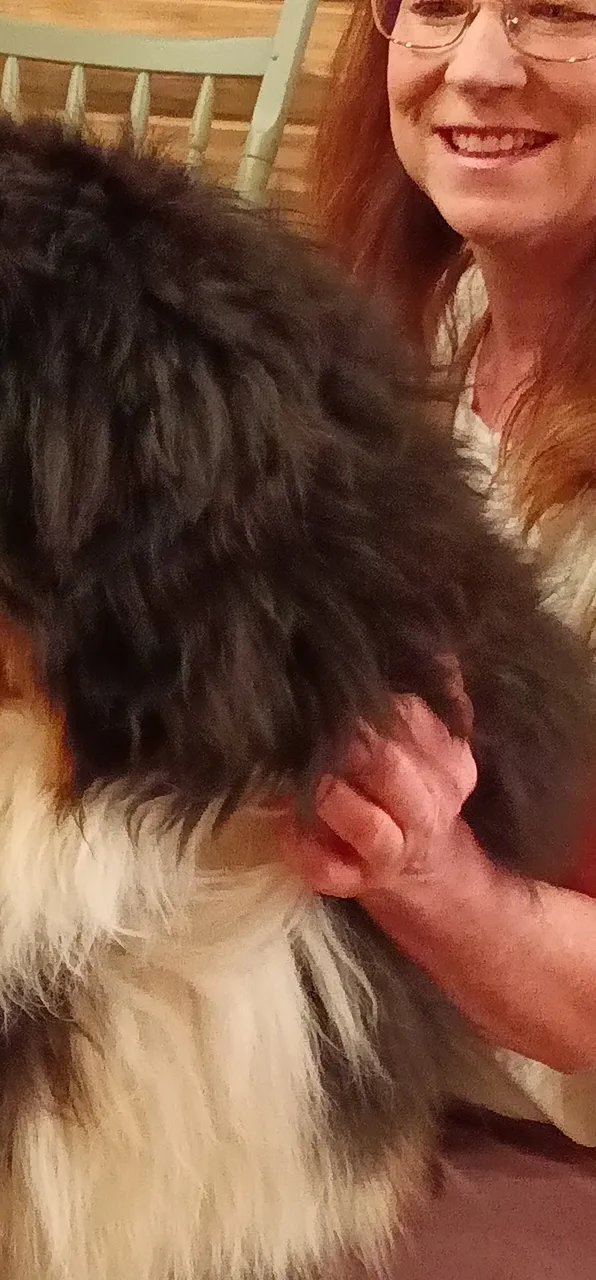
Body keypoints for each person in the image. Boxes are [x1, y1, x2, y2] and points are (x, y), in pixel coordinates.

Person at [289, 0, 596, 1272]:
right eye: (432, 2)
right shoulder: (421, 322)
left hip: (528, 1125)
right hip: (338, 1033)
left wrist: (435, 886)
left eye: (557, 9)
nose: (475, 65)